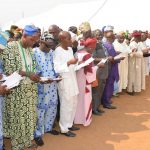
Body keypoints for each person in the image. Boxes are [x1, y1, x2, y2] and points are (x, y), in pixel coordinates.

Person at [1, 25, 40, 150]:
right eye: (32, 39)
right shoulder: (12, 47)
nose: (34, 43)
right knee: (18, 119)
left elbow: (32, 67)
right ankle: (18, 145)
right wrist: (28, 74)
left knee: (29, 117)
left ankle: (27, 141)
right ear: (24, 35)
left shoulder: (29, 49)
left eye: (35, 40)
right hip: (17, 91)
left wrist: (36, 76)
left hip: (30, 89)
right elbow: (9, 70)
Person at [33, 32, 59, 146]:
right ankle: (37, 134)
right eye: (47, 46)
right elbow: (31, 70)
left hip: (52, 85)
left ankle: (48, 128)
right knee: (39, 110)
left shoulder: (52, 53)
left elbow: (56, 67)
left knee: (52, 107)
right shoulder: (34, 53)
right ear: (41, 42)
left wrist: (57, 76)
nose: (49, 49)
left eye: (51, 46)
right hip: (40, 86)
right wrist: (40, 78)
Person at [53, 31, 79, 137]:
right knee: (66, 105)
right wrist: (69, 63)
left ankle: (69, 124)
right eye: (68, 39)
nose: (70, 41)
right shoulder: (58, 51)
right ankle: (64, 128)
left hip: (72, 79)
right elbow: (57, 68)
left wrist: (78, 64)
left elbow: (72, 66)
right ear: (62, 39)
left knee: (73, 103)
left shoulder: (69, 49)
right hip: (64, 81)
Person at [74, 37, 102, 126]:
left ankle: (77, 119)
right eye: (93, 48)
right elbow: (90, 71)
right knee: (85, 99)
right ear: (90, 47)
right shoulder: (87, 55)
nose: (93, 50)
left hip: (77, 78)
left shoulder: (77, 53)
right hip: (85, 79)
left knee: (78, 100)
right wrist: (98, 66)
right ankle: (84, 120)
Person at [102, 32, 124, 109]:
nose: (115, 38)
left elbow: (110, 55)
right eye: (114, 37)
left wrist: (116, 53)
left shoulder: (105, 44)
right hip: (111, 68)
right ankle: (106, 102)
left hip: (106, 67)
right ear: (111, 38)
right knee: (109, 85)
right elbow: (112, 60)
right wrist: (120, 58)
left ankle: (105, 100)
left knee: (107, 84)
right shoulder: (110, 46)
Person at [92, 29, 108, 115]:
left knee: (100, 90)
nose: (100, 36)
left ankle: (97, 107)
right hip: (97, 71)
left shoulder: (101, 44)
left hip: (104, 71)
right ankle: (94, 109)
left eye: (101, 34)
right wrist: (104, 59)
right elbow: (93, 58)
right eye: (97, 35)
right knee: (96, 91)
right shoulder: (93, 45)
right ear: (94, 35)